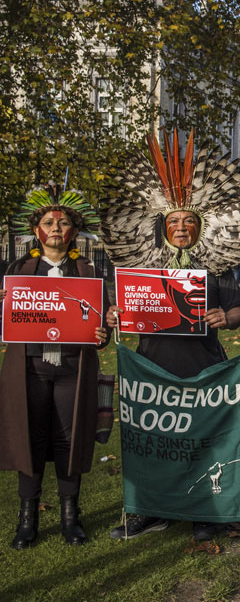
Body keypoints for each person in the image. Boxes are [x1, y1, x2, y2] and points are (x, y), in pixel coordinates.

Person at [101, 131, 240, 542]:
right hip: (150, 365)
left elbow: (238, 311)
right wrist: (115, 314)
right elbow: (119, 309)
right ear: (162, 227)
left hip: (203, 366)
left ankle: (204, 511)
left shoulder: (216, 268)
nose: (182, 227)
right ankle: (148, 510)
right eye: (174, 221)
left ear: (200, 225)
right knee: (149, 440)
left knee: (201, 439)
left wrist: (228, 315)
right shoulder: (140, 267)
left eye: (189, 221)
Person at [1, 184, 109, 548]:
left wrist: (102, 333)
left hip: (72, 366)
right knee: (30, 435)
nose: (56, 229)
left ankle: (70, 516)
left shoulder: (88, 270)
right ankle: (27, 518)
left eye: (63, 224)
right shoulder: (18, 268)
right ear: (36, 231)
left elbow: (100, 323)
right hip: (29, 364)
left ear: (74, 232)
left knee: (69, 436)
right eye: (48, 223)